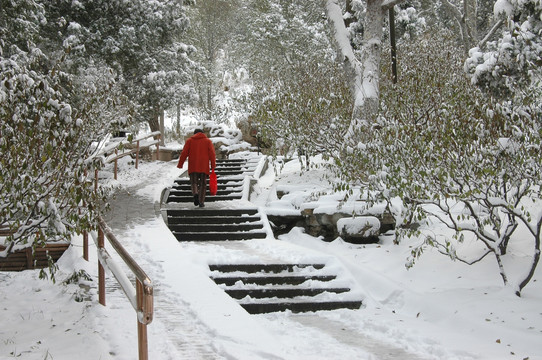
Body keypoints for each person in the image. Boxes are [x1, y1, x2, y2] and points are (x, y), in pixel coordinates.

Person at [177, 129, 216, 208]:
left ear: (194, 134)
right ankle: (201, 202)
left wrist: (180, 164)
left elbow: (184, 153)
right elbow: (212, 154)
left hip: (193, 166)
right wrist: (213, 165)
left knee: (193, 183)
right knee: (203, 184)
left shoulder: (189, 141)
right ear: (202, 133)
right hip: (204, 166)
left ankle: (195, 194)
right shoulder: (208, 141)